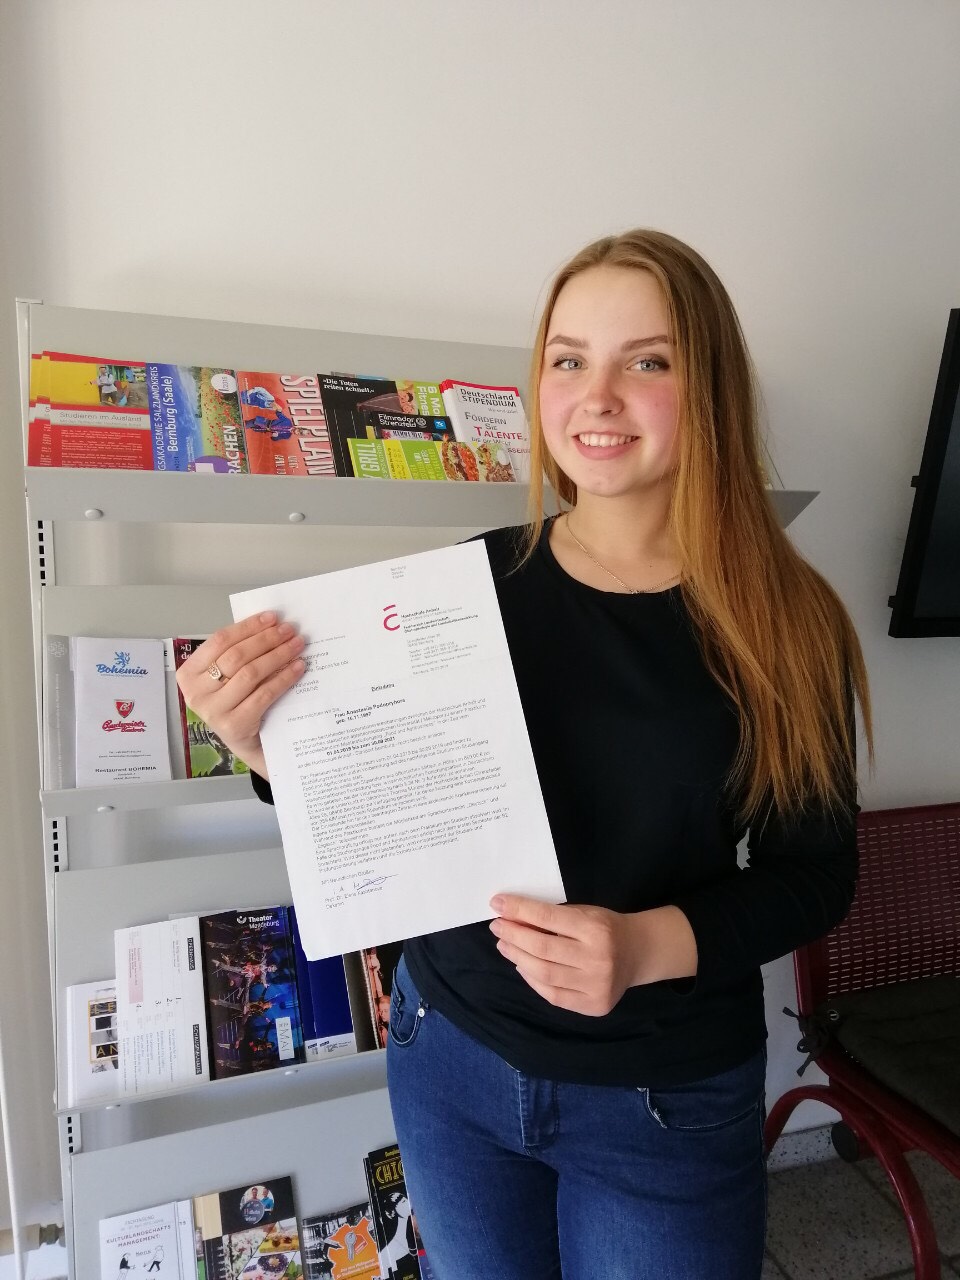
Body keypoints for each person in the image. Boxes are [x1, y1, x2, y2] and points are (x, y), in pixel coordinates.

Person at [175, 229, 873, 1279]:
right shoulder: (462, 587)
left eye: (647, 361)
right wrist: (264, 750)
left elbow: (816, 874)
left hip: (661, 1094)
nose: (598, 396)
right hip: (449, 1049)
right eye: (568, 359)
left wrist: (642, 946)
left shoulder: (787, 621)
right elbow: (392, 805)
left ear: (711, 388)